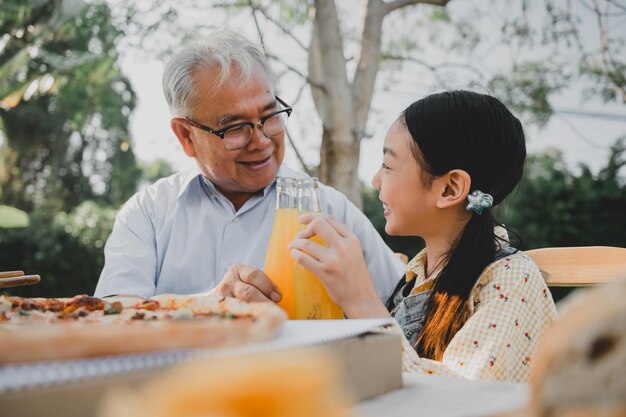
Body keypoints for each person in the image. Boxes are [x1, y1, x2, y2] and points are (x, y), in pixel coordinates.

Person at [94, 31, 404, 303]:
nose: (261, 140)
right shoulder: (148, 213)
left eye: (270, 116)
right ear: (186, 136)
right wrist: (207, 306)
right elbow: (111, 317)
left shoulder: (332, 211)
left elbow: (403, 313)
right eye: (235, 128)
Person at [289, 90, 558, 382]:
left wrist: (361, 301)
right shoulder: (416, 277)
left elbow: (467, 404)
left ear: (450, 189)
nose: (376, 180)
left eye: (388, 166)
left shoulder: (512, 280)